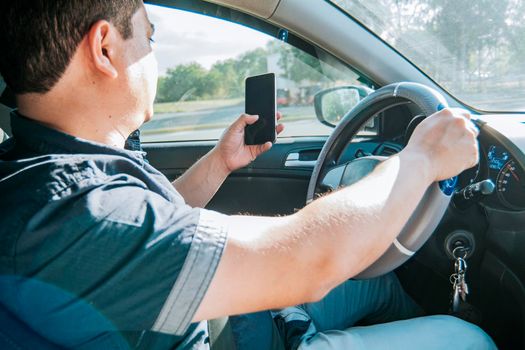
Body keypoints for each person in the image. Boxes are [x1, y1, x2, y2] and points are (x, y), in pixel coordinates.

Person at [0, 1, 496, 349]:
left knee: (379, 285)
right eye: (148, 37)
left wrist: (220, 162)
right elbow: (311, 263)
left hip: (238, 310)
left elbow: (148, 222)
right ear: (105, 48)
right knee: (468, 340)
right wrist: (420, 159)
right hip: (238, 339)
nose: (156, 57)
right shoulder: (73, 216)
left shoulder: (50, 174)